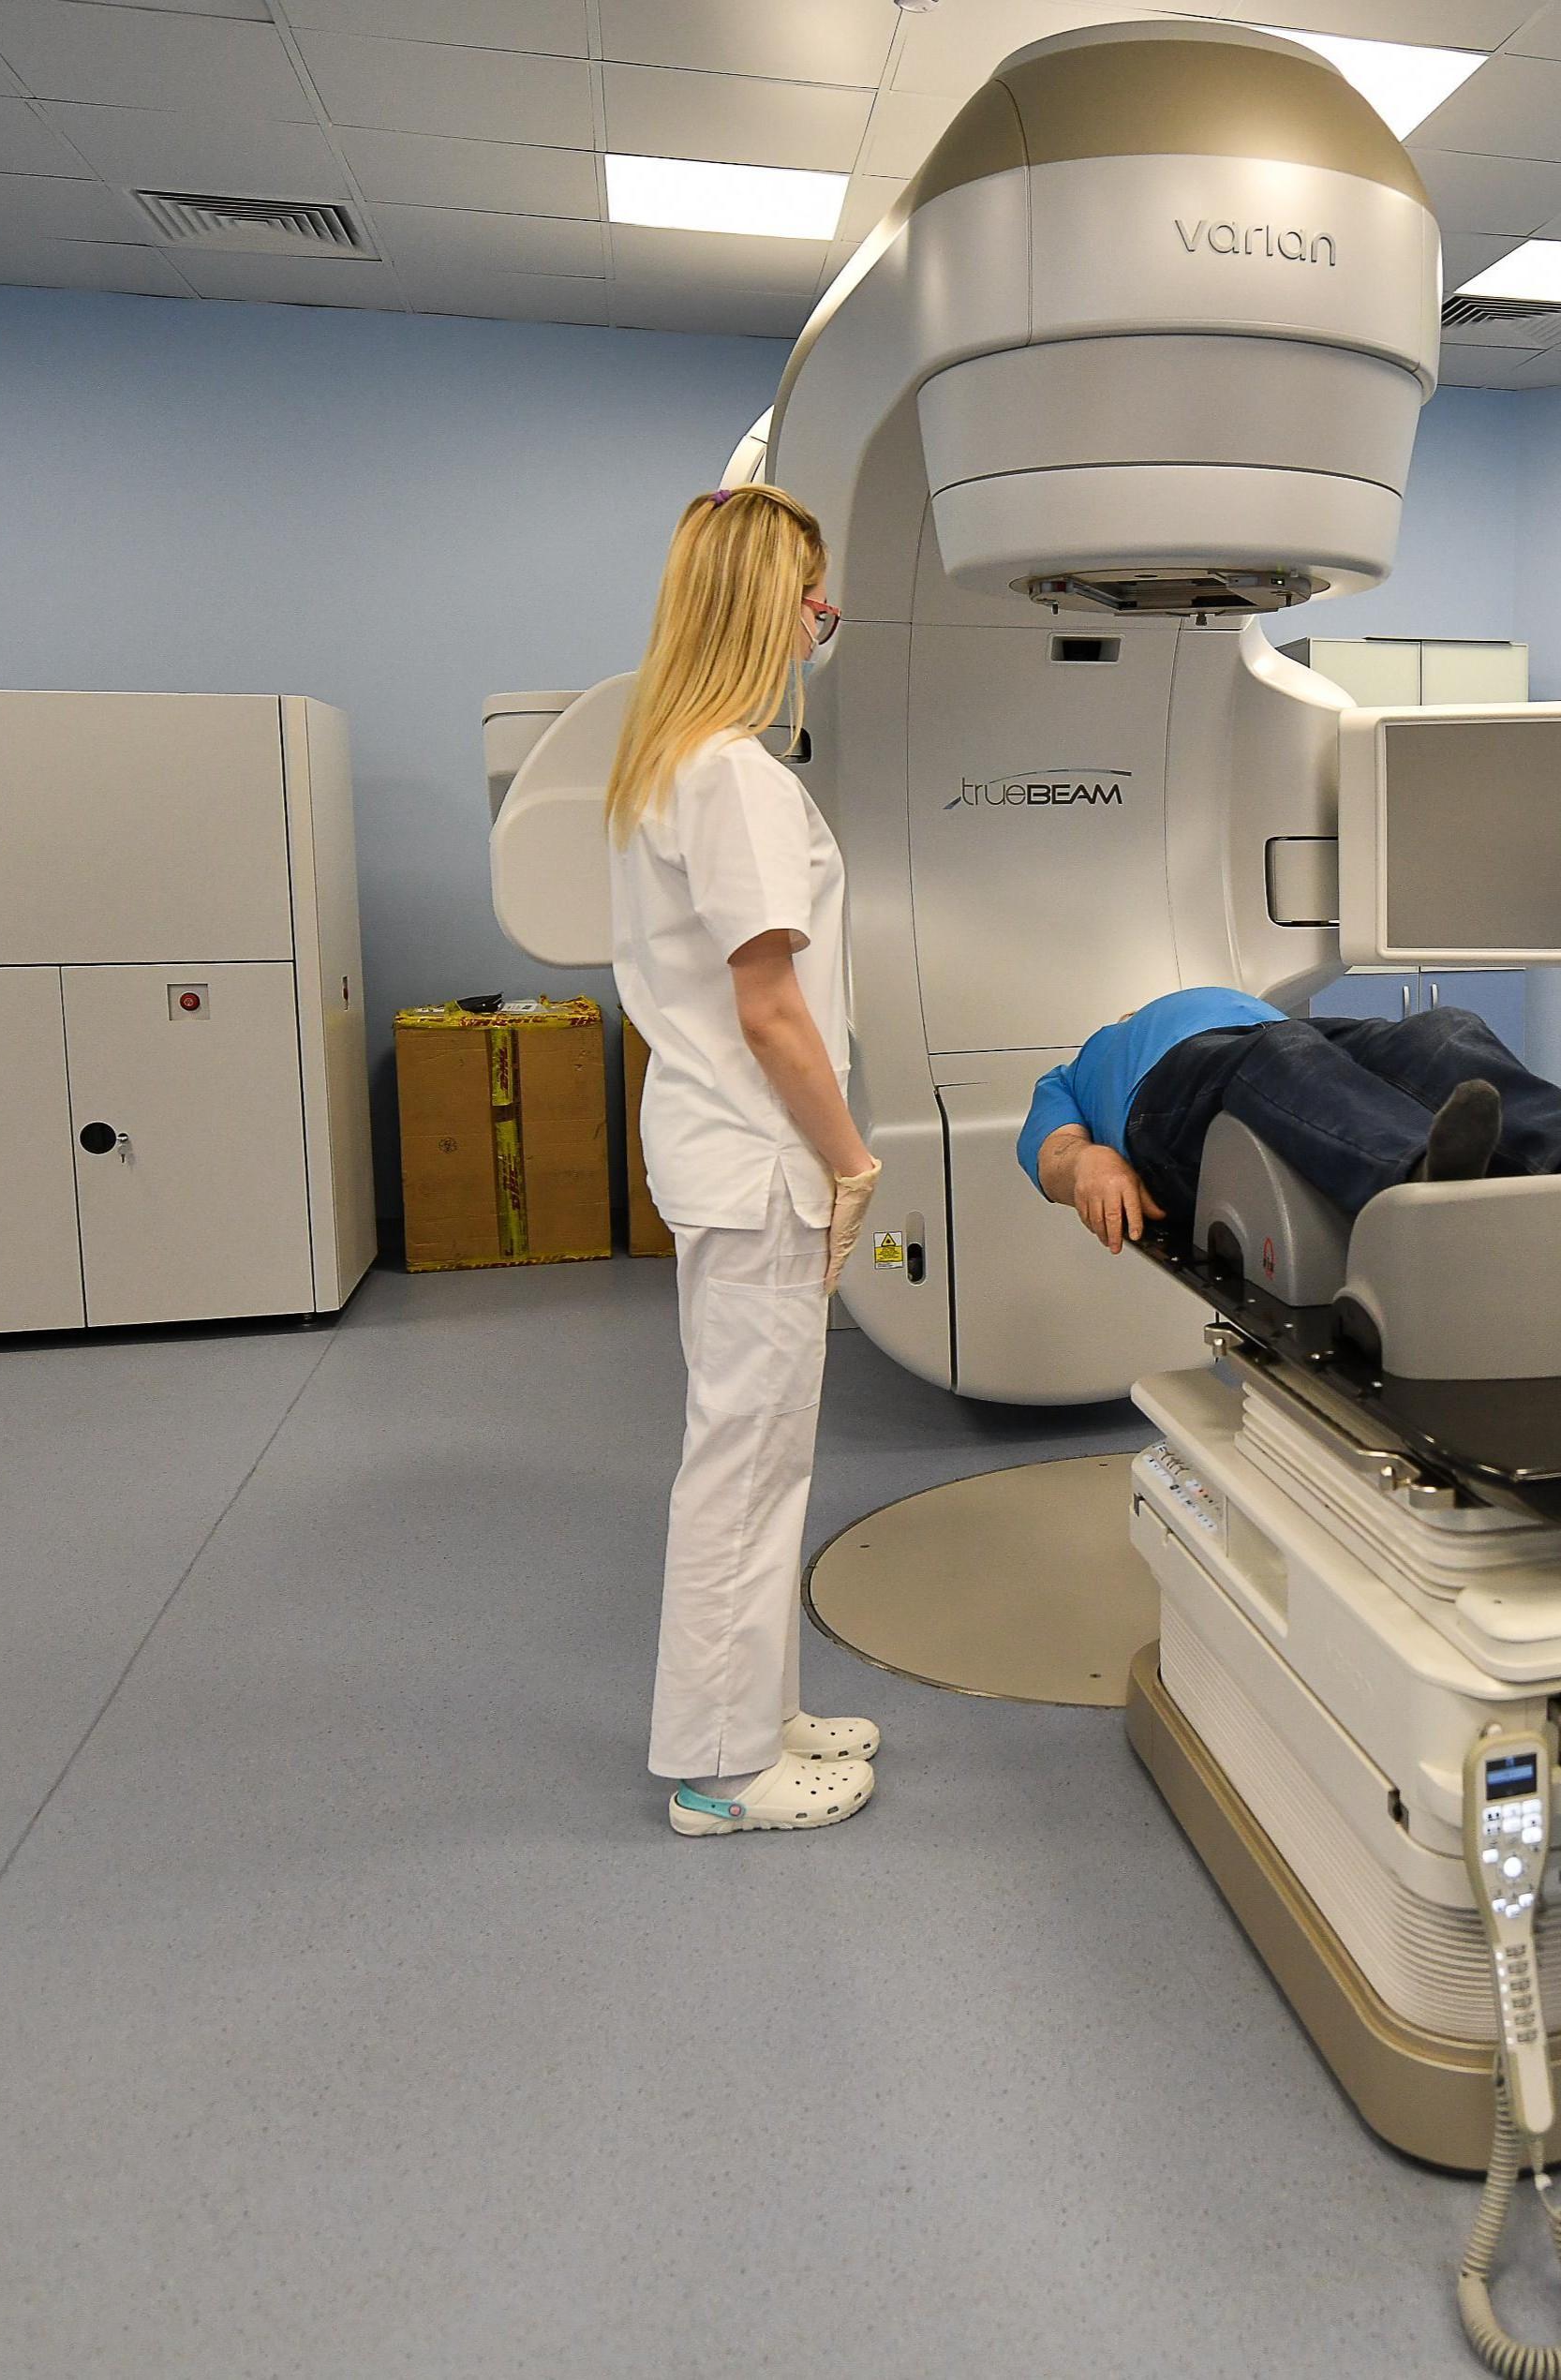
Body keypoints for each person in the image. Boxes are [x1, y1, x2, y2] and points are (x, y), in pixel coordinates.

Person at [606, 483, 886, 1839]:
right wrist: (851, 1161)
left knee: (760, 1449)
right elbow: (772, 1008)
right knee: (748, 1460)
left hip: (717, 1148)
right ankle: (720, 1771)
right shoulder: (734, 774)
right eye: (808, 594)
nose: (818, 618)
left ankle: (759, 1710)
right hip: (766, 1159)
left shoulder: (668, 765)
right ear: (760, 604)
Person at [1017, 990, 1561, 1253]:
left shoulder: (1237, 1009)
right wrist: (1091, 1162)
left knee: (1440, 1030)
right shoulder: (1073, 1072)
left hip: (1284, 1038)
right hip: (1172, 1098)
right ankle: (1417, 1178)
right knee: (1283, 1055)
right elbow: (1054, 1153)